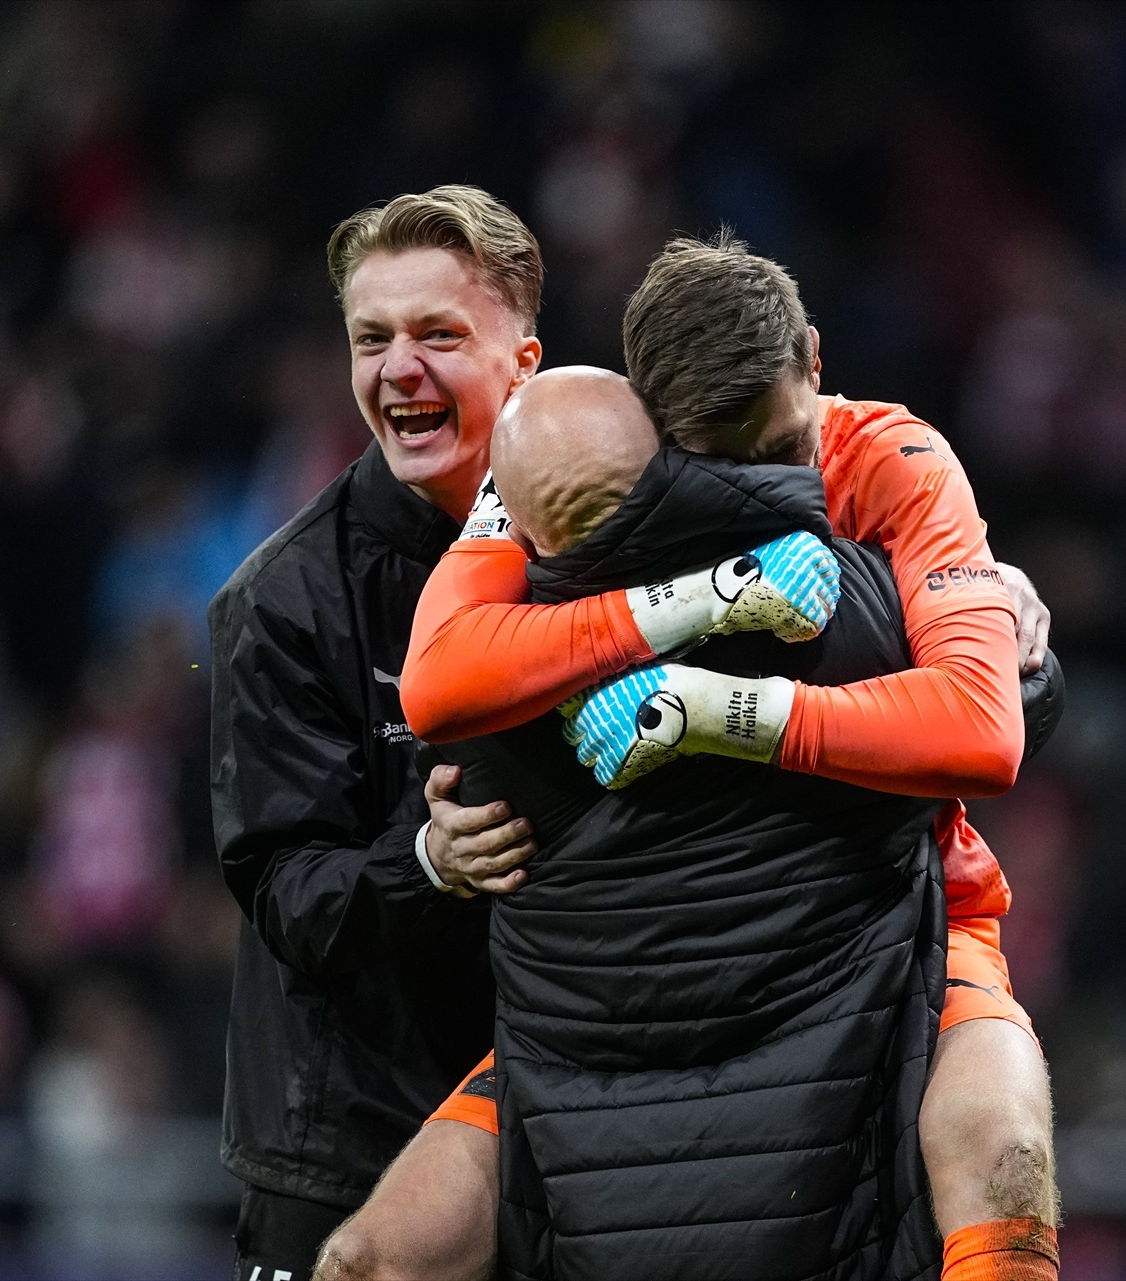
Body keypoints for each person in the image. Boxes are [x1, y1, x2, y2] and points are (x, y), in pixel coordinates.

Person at [333, 235, 1060, 1281]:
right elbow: (439, 680)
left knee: (1007, 1154)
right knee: (368, 1258)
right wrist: (687, 602)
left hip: (897, 927)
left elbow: (983, 733)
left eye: (785, 446)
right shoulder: (579, 462)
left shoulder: (893, 458)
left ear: (813, 360)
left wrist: (719, 708)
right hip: (621, 980)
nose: (774, 489)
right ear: (655, 428)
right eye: (725, 468)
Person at [448, 367, 951, 1275]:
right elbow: (990, 726)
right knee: (1004, 1157)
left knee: (372, 1253)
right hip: (818, 1141)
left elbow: (433, 695)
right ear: (672, 471)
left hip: (595, 1164)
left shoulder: (489, 720)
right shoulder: (849, 607)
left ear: (520, 532)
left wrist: (430, 850)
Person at [209, 185, 550, 1280]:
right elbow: (286, 890)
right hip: (350, 1161)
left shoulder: (608, 546)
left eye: (438, 335)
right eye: (372, 339)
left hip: (564, 1138)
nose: (398, 368)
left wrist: (981, 592)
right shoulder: (285, 603)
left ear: (525, 362)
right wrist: (426, 863)